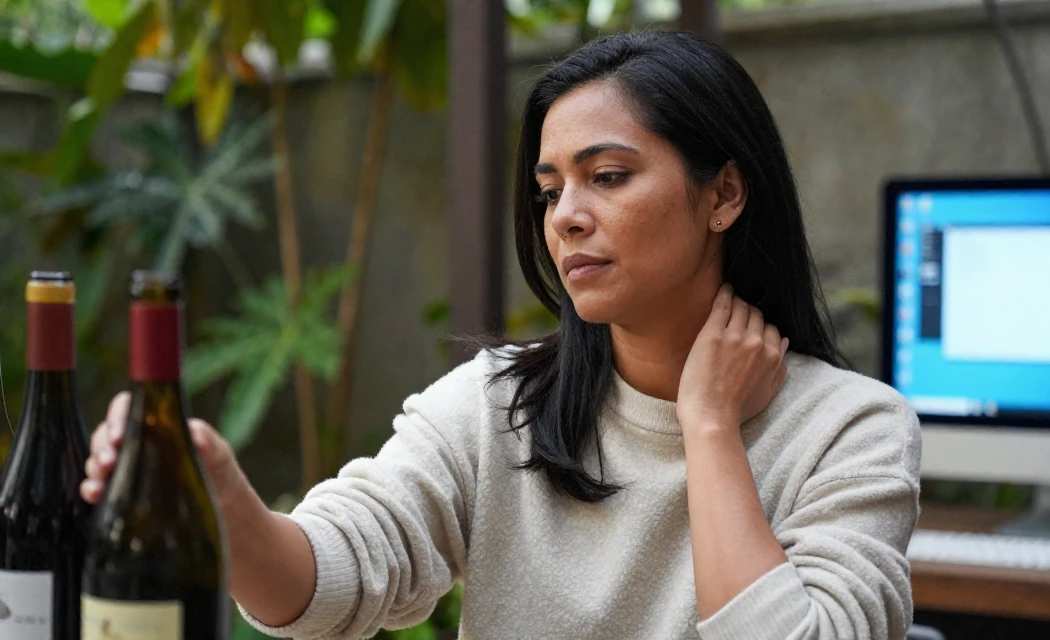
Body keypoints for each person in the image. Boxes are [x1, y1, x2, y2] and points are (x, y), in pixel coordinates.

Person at [82, 30, 920, 640]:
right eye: (550, 190)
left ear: (724, 193)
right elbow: (334, 578)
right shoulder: (501, 403)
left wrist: (708, 427)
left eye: (609, 177)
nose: (568, 219)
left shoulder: (850, 429)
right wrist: (228, 505)